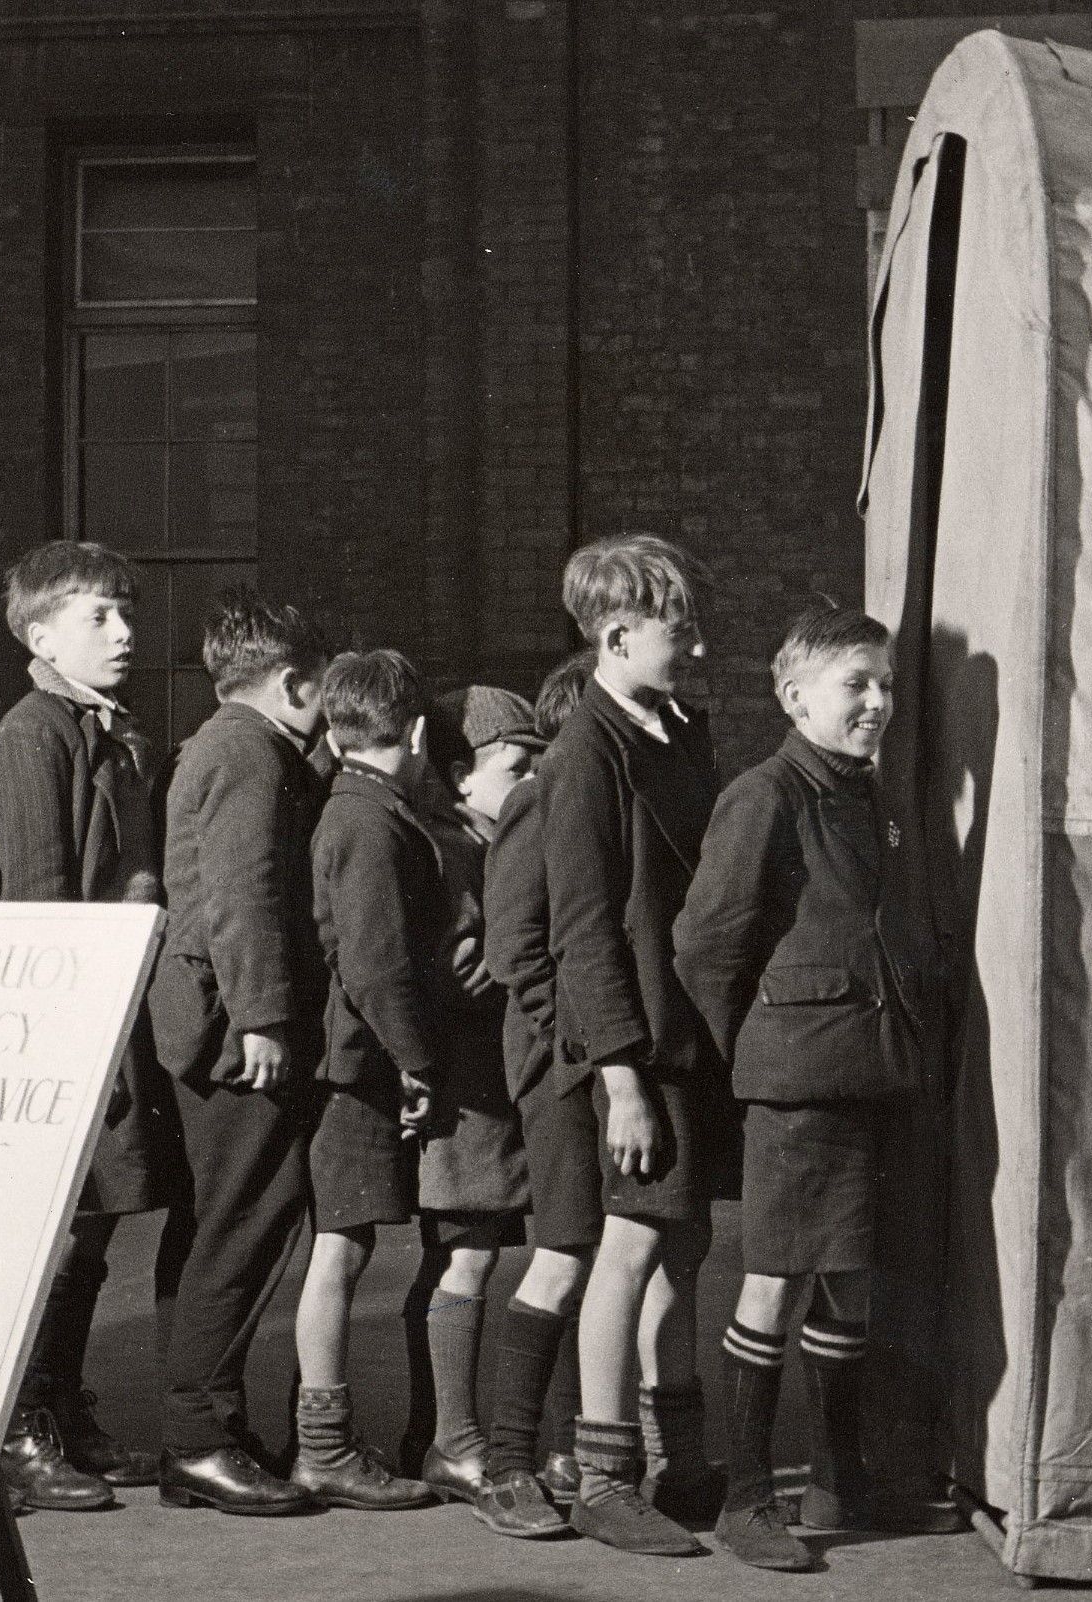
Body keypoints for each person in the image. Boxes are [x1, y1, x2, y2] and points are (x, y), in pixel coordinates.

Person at [672, 605, 943, 1570]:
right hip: (800, 1080)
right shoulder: (765, 795)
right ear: (793, 698)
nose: (877, 702)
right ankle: (747, 1499)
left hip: (872, 1074)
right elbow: (705, 943)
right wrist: (762, 1046)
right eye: (854, 684)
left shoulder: (871, 798)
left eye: (884, 684)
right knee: (774, 1279)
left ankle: (838, 1480)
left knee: (850, 1274)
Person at [0, 540, 187, 1512]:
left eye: (125, 612)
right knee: (62, 1235)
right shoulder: (34, 734)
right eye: (97, 616)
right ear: (39, 637)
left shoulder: (108, 727)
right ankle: (22, 1430)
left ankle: (64, 1411)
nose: (123, 632)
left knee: (96, 1229)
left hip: (117, 1003)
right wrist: (70, 1042)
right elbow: (40, 899)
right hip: (76, 1016)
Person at [544, 535, 730, 1557]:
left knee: (680, 1245)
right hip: (639, 1050)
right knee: (629, 1245)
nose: (695, 649)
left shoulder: (679, 731)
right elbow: (581, 931)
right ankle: (605, 1479)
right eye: (679, 631)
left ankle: (679, 1464)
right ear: (616, 637)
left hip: (690, 1036)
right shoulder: (585, 754)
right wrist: (621, 1082)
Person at [147, 591, 332, 1516]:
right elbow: (242, 892)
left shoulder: (227, 744)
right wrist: (262, 1017)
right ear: (293, 683)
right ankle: (197, 1438)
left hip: (211, 1020)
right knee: (243, 1222)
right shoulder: (248, 753)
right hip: (231, 1030)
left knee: (218, 1222)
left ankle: (200, 1429)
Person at [291, 648, 447, 1514]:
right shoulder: (368, 820)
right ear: (416, 734)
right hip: (355, 1066)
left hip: (350, 1059)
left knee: (342, 1245)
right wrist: (418, 1060)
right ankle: (322, 1449)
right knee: (341, 1248)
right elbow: (377, 966)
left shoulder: (353, 807)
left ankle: (322, 1440)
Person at [400, 685, 548, 1527]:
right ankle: (455, 1442)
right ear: (459, 774)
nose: (529, 783)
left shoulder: (485, 840)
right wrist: (519, 947)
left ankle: (436, 1430)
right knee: (467, 1255)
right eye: (515, 767)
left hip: (487, 1085)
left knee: (467, 1252)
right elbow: (456, 970)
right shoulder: (457, 851)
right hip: (469, 1089)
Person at [475, 650, 597, 1527]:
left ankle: (565, 1447)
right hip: (560, 1065)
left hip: (604, 1058)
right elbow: (513, 946)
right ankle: (507, 1465)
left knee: (596, 1256)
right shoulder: (540, 797)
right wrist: (578, 1040)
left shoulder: (607, 793)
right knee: (561, 1252)